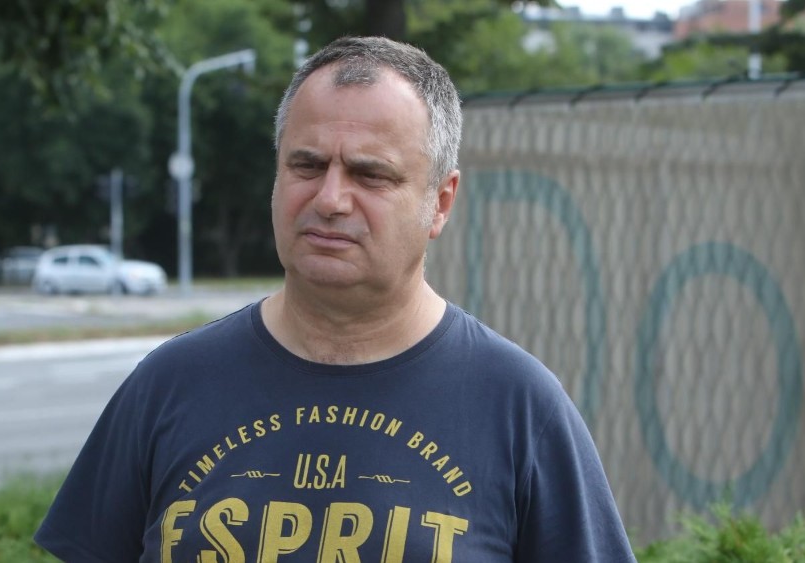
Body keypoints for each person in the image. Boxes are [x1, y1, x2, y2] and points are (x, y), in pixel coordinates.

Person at [35, 36, 635, 562]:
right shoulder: (168, 385)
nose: (330, 199)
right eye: (307, 165)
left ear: (441, 203)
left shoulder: (520, 408)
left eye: (370, 174)